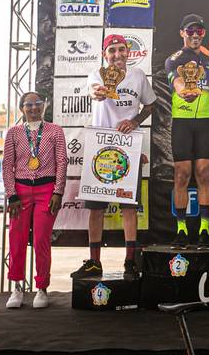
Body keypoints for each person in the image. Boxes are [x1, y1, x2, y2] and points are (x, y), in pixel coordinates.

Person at [70, 34, 156, 279]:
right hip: (101, 147)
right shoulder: (96, 75)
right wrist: (97, 93)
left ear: (128, 51)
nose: (117, 54)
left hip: (128, 147)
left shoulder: (138, 76)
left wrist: (134, 121)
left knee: (129, 208)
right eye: (112, 50)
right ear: (104, 54)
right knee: (96, 210)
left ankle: (130, 261)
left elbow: (150, 105)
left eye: (121, 49)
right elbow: (93, 91)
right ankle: (94, 262)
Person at [2, 92, 67, 308]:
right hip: (20, 192)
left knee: (41, 240)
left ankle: (42, 288)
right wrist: (11, 194)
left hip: (46, 190)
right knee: (17, 239)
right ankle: (17, 288)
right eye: (28, 104)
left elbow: (62, 162)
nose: (33, 108)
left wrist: (58, 192)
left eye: (38, 103)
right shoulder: (13, 133)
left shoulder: (55, 131)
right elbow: (7, 165)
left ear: (44, 106)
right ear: (21, 108)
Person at [165, 14, 209, 248]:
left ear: (204, 33)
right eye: (190, 31)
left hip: (205, 123)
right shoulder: (174, 59)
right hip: (182, 122)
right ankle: (181, 230)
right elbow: (176, 81)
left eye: (199, 31)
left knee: (203, 173)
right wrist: (183, 92)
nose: (195, 35)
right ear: (182, 33)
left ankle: (204, 230)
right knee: (182, 174)